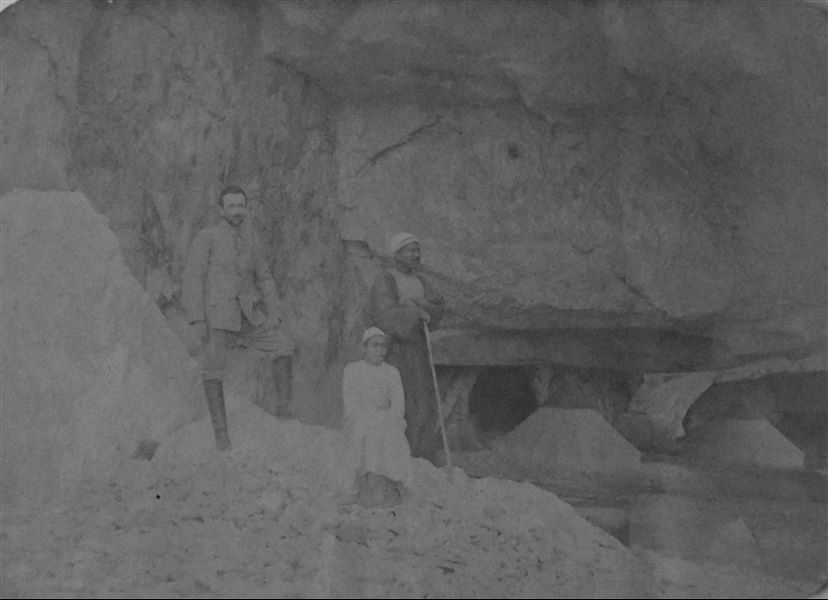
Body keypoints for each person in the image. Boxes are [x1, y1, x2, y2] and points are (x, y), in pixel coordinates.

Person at [182, 184, 294, 450]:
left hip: (247, 314)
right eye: (231, 206)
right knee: (213, 368)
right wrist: (197, 319)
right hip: (217, 315)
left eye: (240, 206)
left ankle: (284, 414)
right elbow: (193, 277)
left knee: (284, 345)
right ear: (221, 210)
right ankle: (221, 435)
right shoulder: (207, 237)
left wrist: (274, 313)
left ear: (246, 209)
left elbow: (264, 279)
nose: (236, 211)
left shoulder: (250, 242)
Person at [367, 232, 446, 463]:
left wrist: (420, 306)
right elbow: (384, 314)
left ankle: (420, 456)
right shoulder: (386, 278)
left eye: (417, 250)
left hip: (418, 350)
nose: (416, 254)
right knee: (396, 401)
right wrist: (414, 313)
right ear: (397, 254)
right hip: (395, 351)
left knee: (421, 400)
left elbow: (438, 306)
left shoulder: (421, 281)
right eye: (411, 250)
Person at [342, 327, 413, 505]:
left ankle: (388, 489)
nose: (380, 351)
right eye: (374, 346)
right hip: (361, 419)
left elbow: (398, 404)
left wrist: (389, 418)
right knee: (367, 432)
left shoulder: (392, 372)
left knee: (388, 432)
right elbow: (350, 403)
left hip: (387, 419)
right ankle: (363, 488)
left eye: (383, 347)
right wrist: (370, 414)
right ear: (364, 347)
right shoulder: (352, 370)